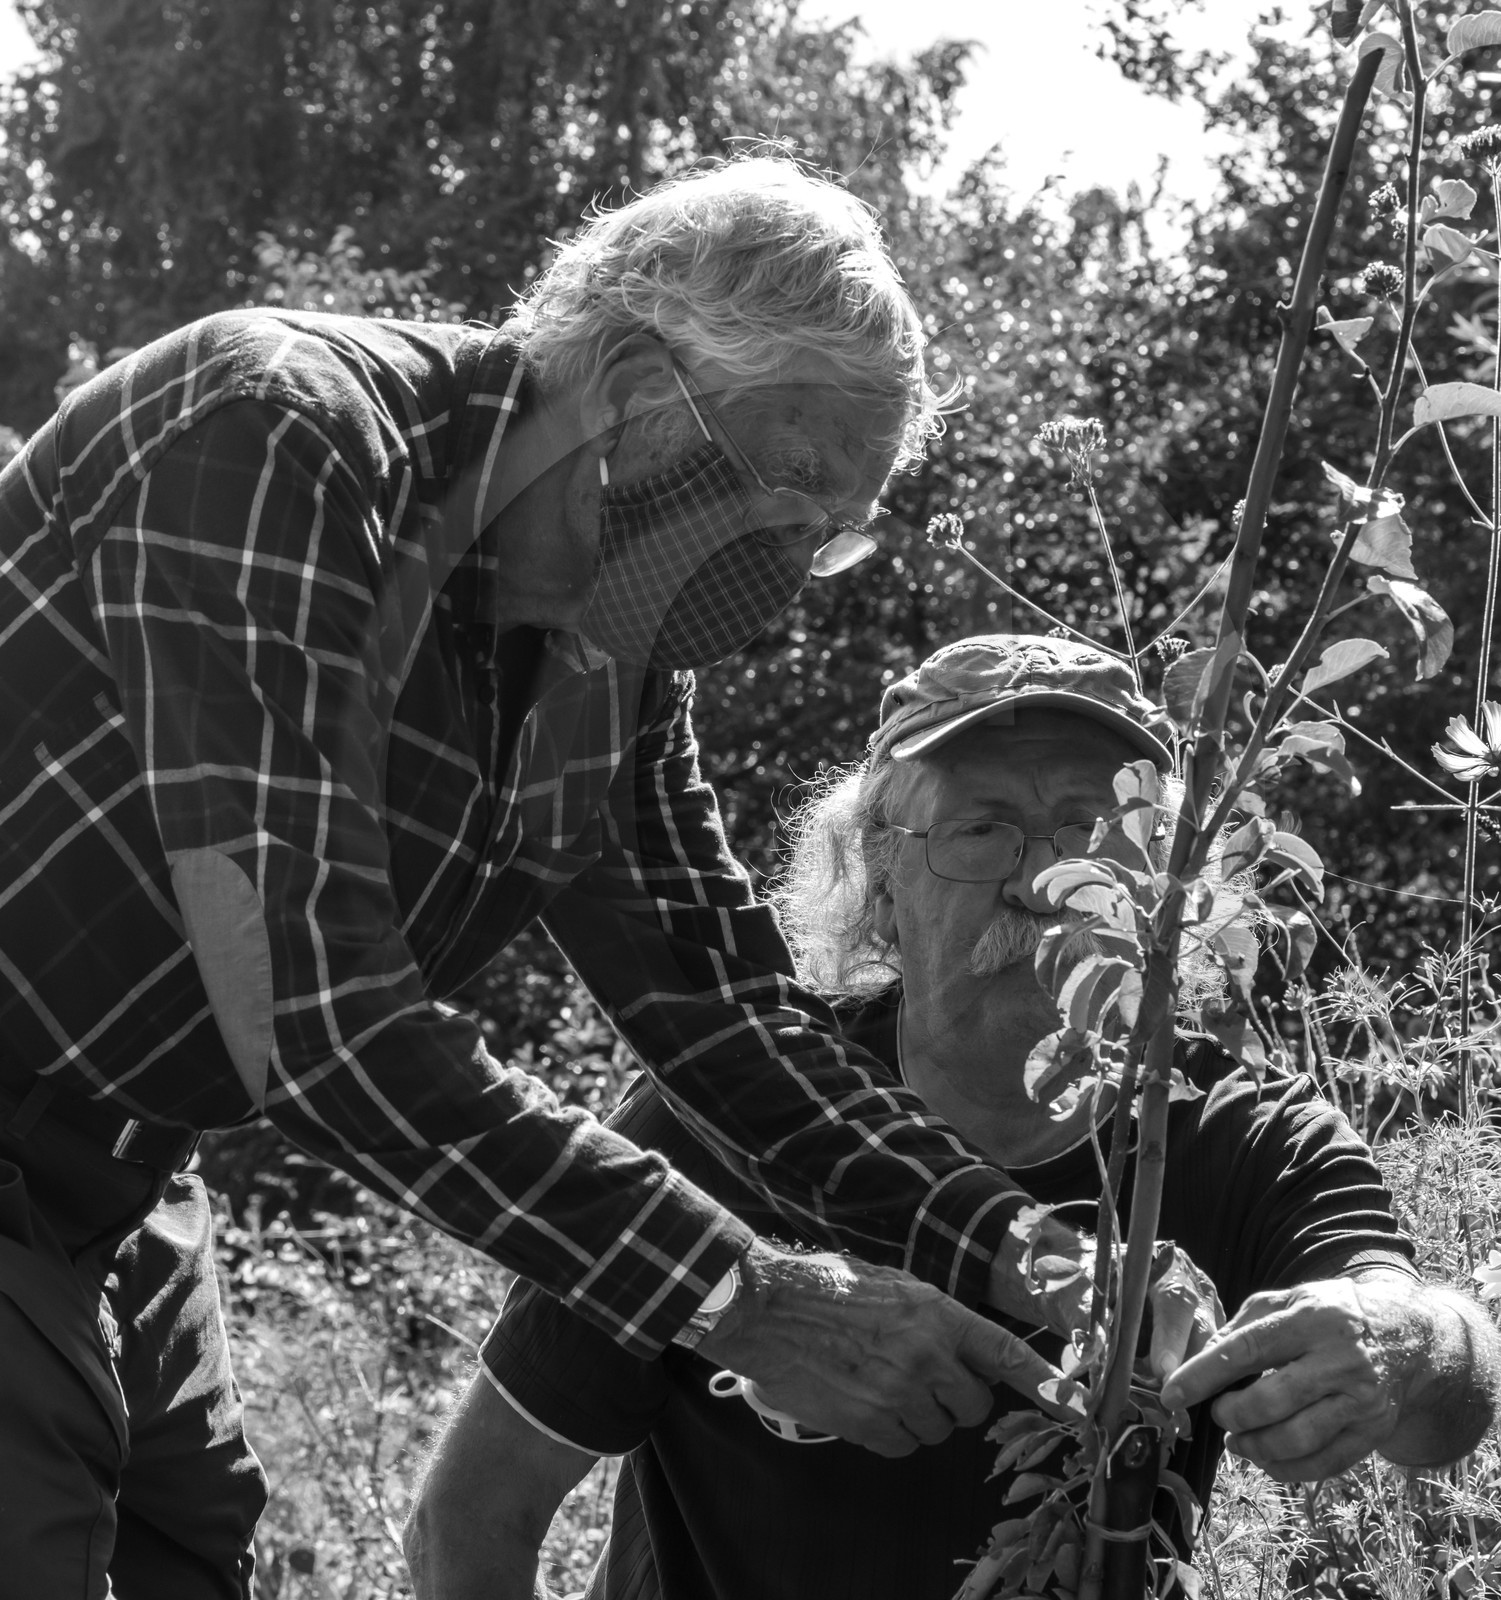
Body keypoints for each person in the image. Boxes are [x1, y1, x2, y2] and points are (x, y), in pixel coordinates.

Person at [0, 160, 1096, 1598]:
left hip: (125, 1170)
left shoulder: (601, 651)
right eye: (789, 487)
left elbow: (725, 1015)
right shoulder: (277, 437)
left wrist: (1014, 1242)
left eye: (833, 528)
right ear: (636, 384)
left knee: (186, 1552)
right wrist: (741, 1297)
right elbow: (306, 1004)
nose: (790, 563)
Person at [404, 633, 1501, 1600]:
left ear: (1163, 883)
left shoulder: (1232, 1133)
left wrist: (1403, 1341)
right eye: (982, 828)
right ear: (881, 870)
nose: (1041, 878)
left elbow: (1443, 1408)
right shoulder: (724, 1111)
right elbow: (475, 1516)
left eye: (1091, 828)